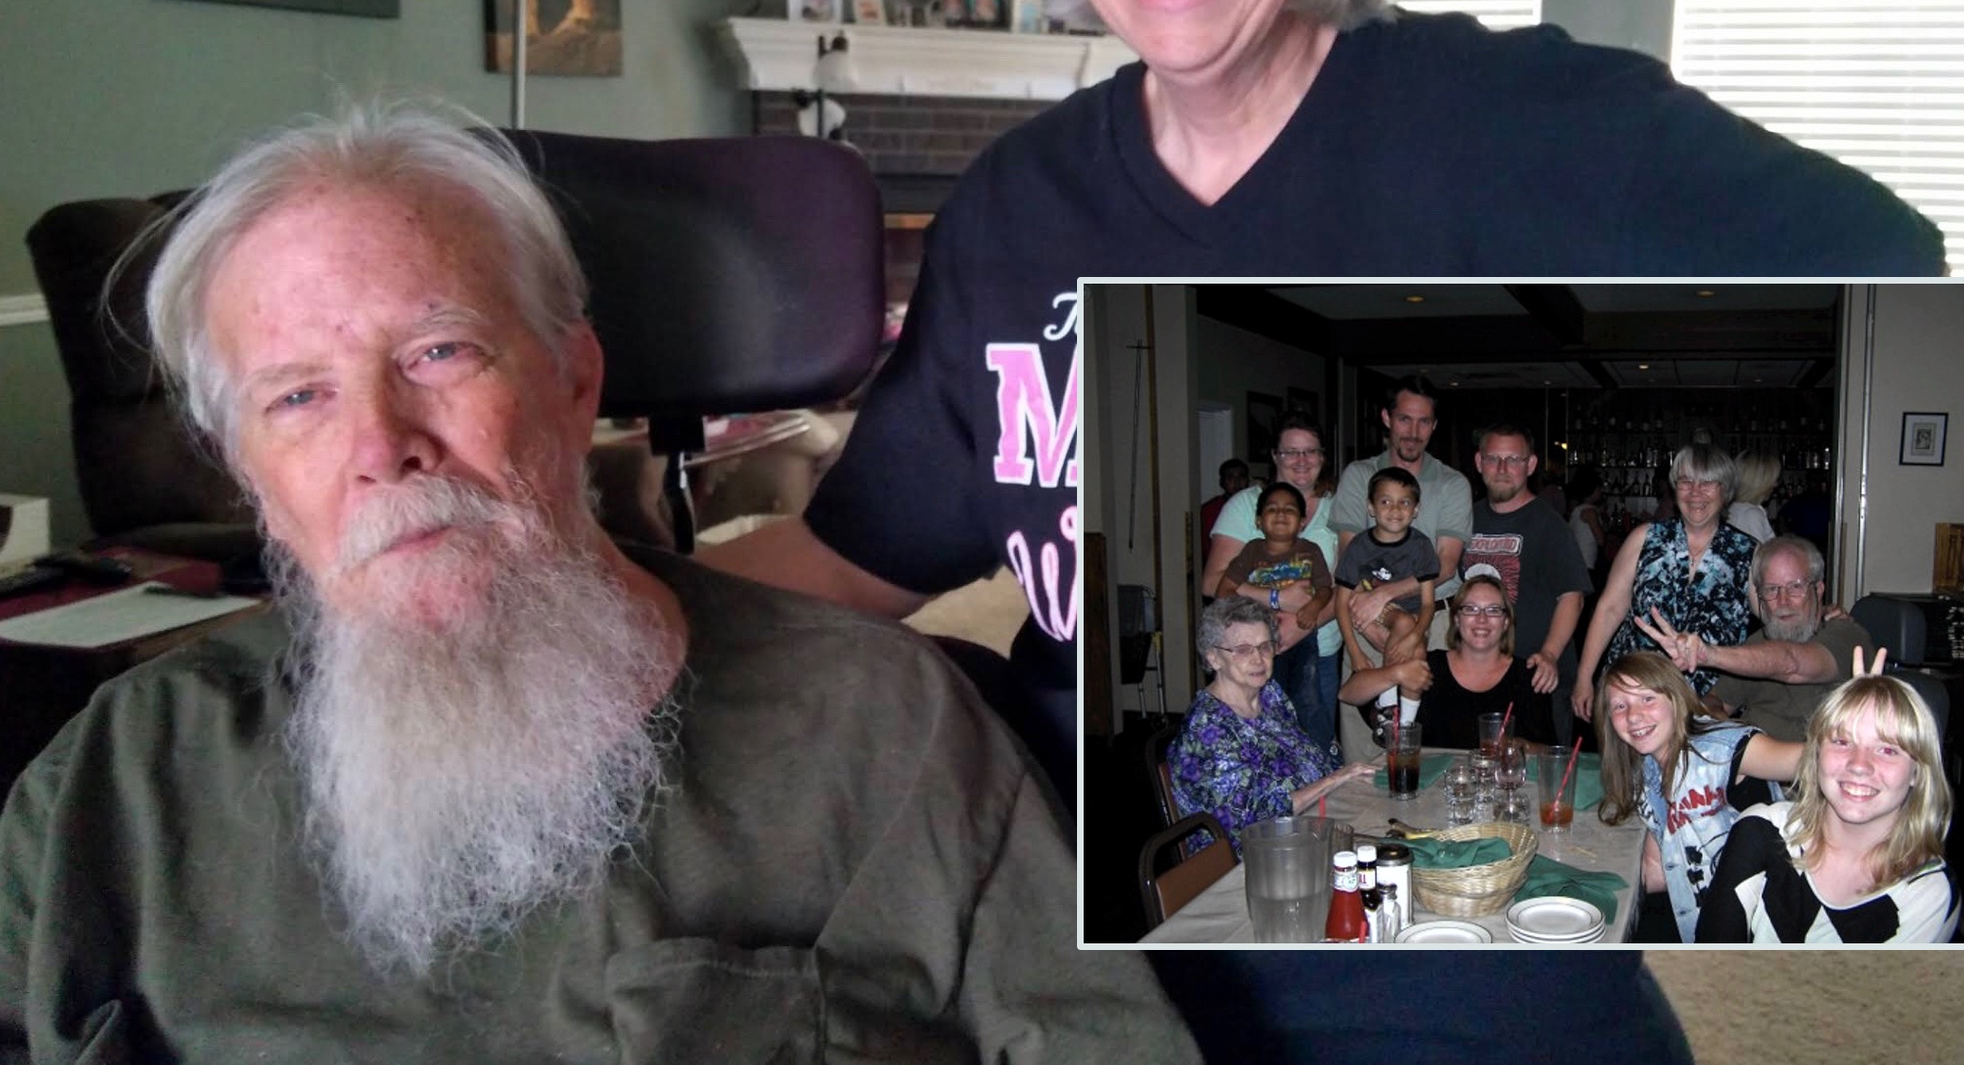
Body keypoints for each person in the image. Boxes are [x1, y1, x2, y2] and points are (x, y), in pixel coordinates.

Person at [706, 0, 1942, 1062]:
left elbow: (1887, 262)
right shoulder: (1017, 208)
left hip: (1427, 935)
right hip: (1098, 922)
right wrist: (599, 580)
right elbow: (858, 555)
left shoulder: (1523, 122)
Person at [0, 108, 1192, 1061]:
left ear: (575, 381)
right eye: (297, 395)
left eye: (438, 352)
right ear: (245, 469)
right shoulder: (113, 791)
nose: (380, 444)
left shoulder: (886, 730)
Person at [1697, 671, 1959, 943]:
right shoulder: (1762, 829)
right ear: (1816, 754)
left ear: (1918, 771)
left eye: (1888, 750)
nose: (1859, 765)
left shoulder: (1928, 891)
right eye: (1842, 742)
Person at [1595, 652, 1802, 943]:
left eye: (1647, 698)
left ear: (1675, 698)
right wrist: (1584, 883)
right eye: (1619, 705)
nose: (1633, 715)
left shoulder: (1724, 747)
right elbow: (1657, 869)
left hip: (1760, 931)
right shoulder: (1646, 769)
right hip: (1702, 922)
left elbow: (1811, 760)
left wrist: (1857, 726)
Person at [1168, 596, 1379, 858]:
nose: (1258, 659)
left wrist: (1341, 779)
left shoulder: (1269, 694)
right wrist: (1335, 779)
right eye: (1243, 650)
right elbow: (1254, 821)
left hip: (1308, 827)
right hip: (1252, 858)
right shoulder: (1208, 728)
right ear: (1214, 658)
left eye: (1265, 647)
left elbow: (1308, 758)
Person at [1573, 442, 1760, 722]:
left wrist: (1820, 617)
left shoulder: (1748, 552)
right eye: (1686, 482)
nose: (1695, 492)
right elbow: (1609, 608)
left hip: (1707, 704)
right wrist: (1584, 677)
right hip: (1633, 693)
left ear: (1726, 489)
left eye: (1708, 483)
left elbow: (1774, 618)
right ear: (1674, 488)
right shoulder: (1644, 538)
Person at [1644, 534, 1875, 745]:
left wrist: (1708, 654)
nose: (1783, 601)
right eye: (1771, 589)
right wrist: (1718, 723)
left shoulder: (1847, 635)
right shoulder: (1758, 644)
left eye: (1795, 587)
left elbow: (1790, 663)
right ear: (1760, 597)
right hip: (1751, 766)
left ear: (1819, 589)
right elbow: (1716, 699)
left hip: (1813, 770)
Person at [1205, 414, 1342, 758]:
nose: (1301, 460)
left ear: (1322, 457)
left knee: (1314, 735)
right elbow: (1212, 583)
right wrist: (1278, 597)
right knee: (1261, 742)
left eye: (1310, 451)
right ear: (1274, 456)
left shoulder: (1338, 508)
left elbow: (1345, 584)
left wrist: (1303, 622)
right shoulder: (1244, 506)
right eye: (1290, 452)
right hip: (1253, 651)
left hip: (1321, 648)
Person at [1459, 424, 1590, 741]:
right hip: (1481, 674)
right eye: (1493, 459)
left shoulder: (1549, 525)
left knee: (1541, 768)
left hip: (1536, 677)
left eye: (1513, 460)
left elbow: (1572, 597)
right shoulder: (1464, 519)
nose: (1502, 469)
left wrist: (1549, 654)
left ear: (1530, 465)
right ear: (1479, 463)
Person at [1340, 570, 1556, 750]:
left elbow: (1550, 751)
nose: (1481, 619)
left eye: (1493, 610)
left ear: (1506, 622)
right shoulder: (1429, 665)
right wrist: (1396, 673)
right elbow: (1347, 693)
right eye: (1470, 609)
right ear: (1456, 619)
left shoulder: (1527, 676)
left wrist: (1521, 747)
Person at [1329, 376, 1471, 596]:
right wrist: (1377, 605)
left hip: (1435, 610)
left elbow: (1445, 566)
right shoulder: (1358, 476)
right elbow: (1349, 557)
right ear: (1387, 418)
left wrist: (1386, 594)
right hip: (1368, 606)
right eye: (1405, 419)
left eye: (1424, 422)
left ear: (1434, 425)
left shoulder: (1453, 484)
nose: (1413, 433)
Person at [1331, 466, 1438, 743]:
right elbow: (1340, 602)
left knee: (1418, 653)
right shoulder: (1359, 547)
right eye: (1385, 501)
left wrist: (1413, 637)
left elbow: (1428, 604)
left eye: (1404, 502)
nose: (1395, 509)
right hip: (1376, 611)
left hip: (1414, 616)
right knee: (1403, 621)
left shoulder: (1422, 546)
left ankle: (1404, 727)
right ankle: (1388, 707)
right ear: (1370, 507)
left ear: (1416, 509)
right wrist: (1354, 651)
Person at [1209, 480, 1335, 697]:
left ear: (1302, 522)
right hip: (1258, 640)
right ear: (1259, 521)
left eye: (1289, 510)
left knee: (1306, 696)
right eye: (1272, 509)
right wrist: (1253, 615)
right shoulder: (1252, 550)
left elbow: (1325, 588)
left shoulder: (1311, 551)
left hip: (1301, 636)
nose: (1281, 514)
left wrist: (1314, 607)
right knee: (1262, 697)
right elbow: (1224, 591)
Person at [1201, 456, 1251, 565]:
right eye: (1230, 477)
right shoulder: (1209, 509)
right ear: (1222, 482)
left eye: (1241, 477)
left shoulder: (1256, 505)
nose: (1237, 482)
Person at [1728, 449, 1780, 544]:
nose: (1775, 484)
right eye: (1773, 479)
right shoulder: (1750, 514)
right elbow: (1758, 552)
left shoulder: (1736, 509)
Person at [1567, 465, 1606, 576]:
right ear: (1592, 489)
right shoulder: (1590, 512)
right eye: (1599, 489)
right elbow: (1601, 540)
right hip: (1585, 563)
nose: (1601, 491)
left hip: (1575, 561)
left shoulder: (1578, 508)